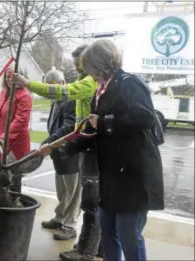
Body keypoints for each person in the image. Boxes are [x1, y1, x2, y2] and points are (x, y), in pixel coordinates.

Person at [63, 39, 164, 261]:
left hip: (133, 176)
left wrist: (106, 122)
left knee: (129, 235)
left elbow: (145, 118)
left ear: (102, 63)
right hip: (110, 176)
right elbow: (94, 130)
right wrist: (65, 147)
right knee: (107, 231)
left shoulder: (129, 83)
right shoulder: (100, 89)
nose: (88, 74)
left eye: (90, 68)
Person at [12, 45, 103, 261]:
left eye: (80, 63)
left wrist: (28, 83)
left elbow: (68, 115)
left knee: (84, 197)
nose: (77, 68)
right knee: (70, 191)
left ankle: (77, 235)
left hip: (80, 146)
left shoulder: (85, 85)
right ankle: (81, 235)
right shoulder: (86, 84)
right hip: (77, 143)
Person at [38, 68, 82, 241]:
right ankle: (60, 217)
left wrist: (50, 140)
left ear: (62, 84)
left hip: (70, 152)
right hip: (59, 152)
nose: (50, 92)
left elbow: (70, 126)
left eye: (52, 87)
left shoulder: (69, 98)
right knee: (62, 190)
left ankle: (70, 225)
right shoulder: (57, 100)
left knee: (73, 192)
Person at [0, 66, 32, 193]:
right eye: (7, 77)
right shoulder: (4, 93)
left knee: (13, 179)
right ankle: (3, 202)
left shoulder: (25, 96)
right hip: (2, 141)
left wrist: (4, 136)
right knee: (1, 177)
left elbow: (21, 121)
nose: (9, 80)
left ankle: (14, 203)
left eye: (13, 77)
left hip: (15, 145)